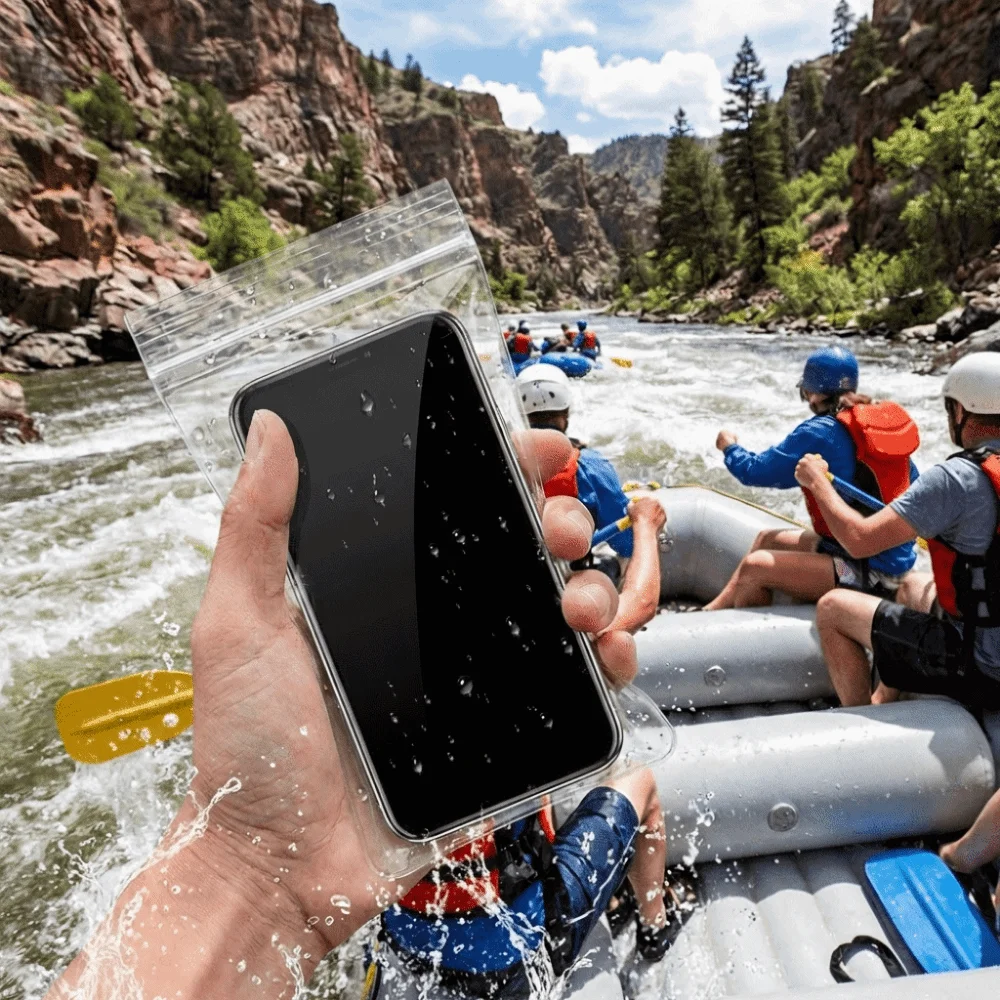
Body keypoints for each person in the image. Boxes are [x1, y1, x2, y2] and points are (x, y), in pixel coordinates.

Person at [44, 410, 658, 999]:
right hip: (513, 951)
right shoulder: (530, 672)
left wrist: (246, 870)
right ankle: (655, 924)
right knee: (642, 783)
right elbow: (638, 607)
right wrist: (648, 529)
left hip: (406, 937)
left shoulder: (385, 677)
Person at [795, 353, 1000, 713]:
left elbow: (859, 541)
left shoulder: (956, 479)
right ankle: (885, 699)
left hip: (981, 669)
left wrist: (817, 483)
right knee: (912, 585)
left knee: (832, 608)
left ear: (959, 411)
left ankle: (860, 716)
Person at [705, 346, 919, 610]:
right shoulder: (878, 429)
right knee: (766, 540)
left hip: (869, 573)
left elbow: (753, 471)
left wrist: (729, 447)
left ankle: (738, 630)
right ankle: (712, 610)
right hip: (883, 558)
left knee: (755, 567)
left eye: (805, 392)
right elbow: (913, 484)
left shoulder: (819, 432)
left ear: (813, 392)